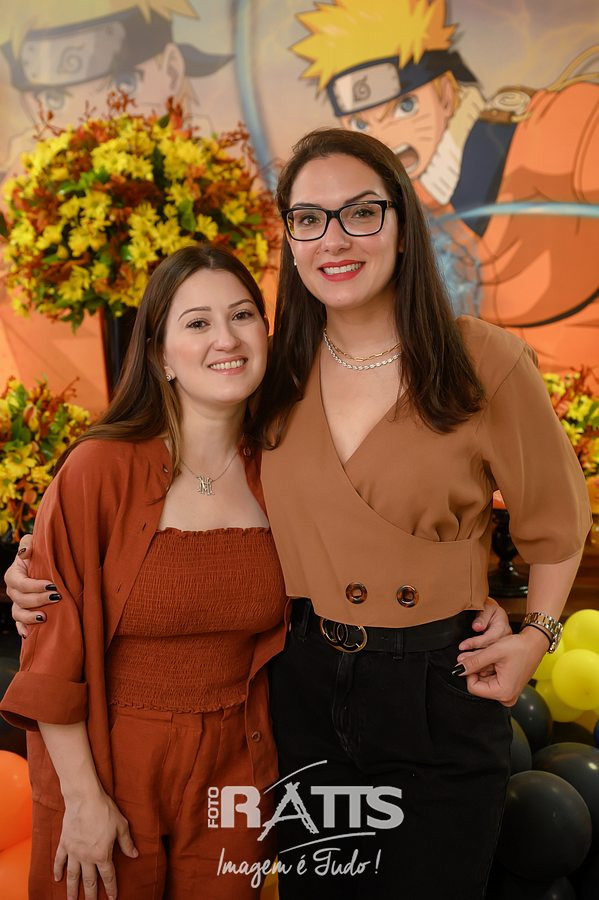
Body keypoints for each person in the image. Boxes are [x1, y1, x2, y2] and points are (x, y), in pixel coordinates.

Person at [5, 128, 581, 898]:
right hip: (300, 690)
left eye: (360, 212)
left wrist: (537, 635)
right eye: (309, 218)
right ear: (291, 240)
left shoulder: (479, 360)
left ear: (401, 225)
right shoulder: (274, 376)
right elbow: (161, 485)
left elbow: (557, 520)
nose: (333, 238)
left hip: (434, 688)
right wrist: (38, 569)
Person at [1, 244, 287, 900]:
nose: (226, 338)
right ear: (161, 355)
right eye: (198, 322)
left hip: (236, 768)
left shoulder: (283, 471)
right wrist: (83, 801)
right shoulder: (98, 470)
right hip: (108, 763)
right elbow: (51, 658)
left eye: (243, 315)